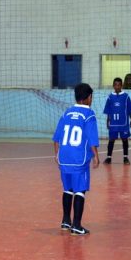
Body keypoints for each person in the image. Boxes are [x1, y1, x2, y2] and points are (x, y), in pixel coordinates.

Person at [53, 83, 100, 236]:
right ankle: (77, 226)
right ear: (89, 97)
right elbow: (92, 139)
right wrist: (96, 156)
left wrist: (57, 154)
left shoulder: (66, 113)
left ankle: (65, 221)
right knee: (80, 191)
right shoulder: (89, 115)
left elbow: (56, 137)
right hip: (79, 159)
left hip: (64, 157)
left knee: (67, 189)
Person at [103, 77, 131, 165]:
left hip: (124, 123)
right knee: (111, 140)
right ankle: (109, 158)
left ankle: (125, 158)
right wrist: (107, 121)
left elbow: (129, 109)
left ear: (122, 86)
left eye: (119, 85)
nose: (117, 87)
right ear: (113, 86)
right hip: (113, 123)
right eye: (115, 85)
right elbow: (108, 110)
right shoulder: (110, 97)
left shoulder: (126, 96)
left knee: (125, 139)